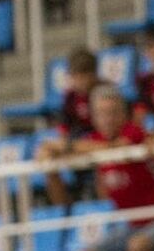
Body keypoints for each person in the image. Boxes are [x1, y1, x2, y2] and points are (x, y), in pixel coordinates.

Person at [41, 85, 154, 251]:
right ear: (93, 117)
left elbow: (117, 148)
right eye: (101, 114)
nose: (108, 119)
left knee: (137, 247)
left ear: (124, 114)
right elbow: (74, 149)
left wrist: (65, 146)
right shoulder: (95, 141)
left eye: (113, 112)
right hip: (132, 225)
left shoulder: (134, 132)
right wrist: (49, 151)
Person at [37, 47, 104, 205]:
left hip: (101, 143)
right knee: (46, 154)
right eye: (74, 76)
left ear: (92, 74)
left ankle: (106, 207)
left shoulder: (104, 93)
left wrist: (69, 146)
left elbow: (108, 136)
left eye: (82, 75)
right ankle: (64, 211)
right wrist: (62, 146)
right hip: (77, 144)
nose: (78, 81)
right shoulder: (70, 97)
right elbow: (64, 129)